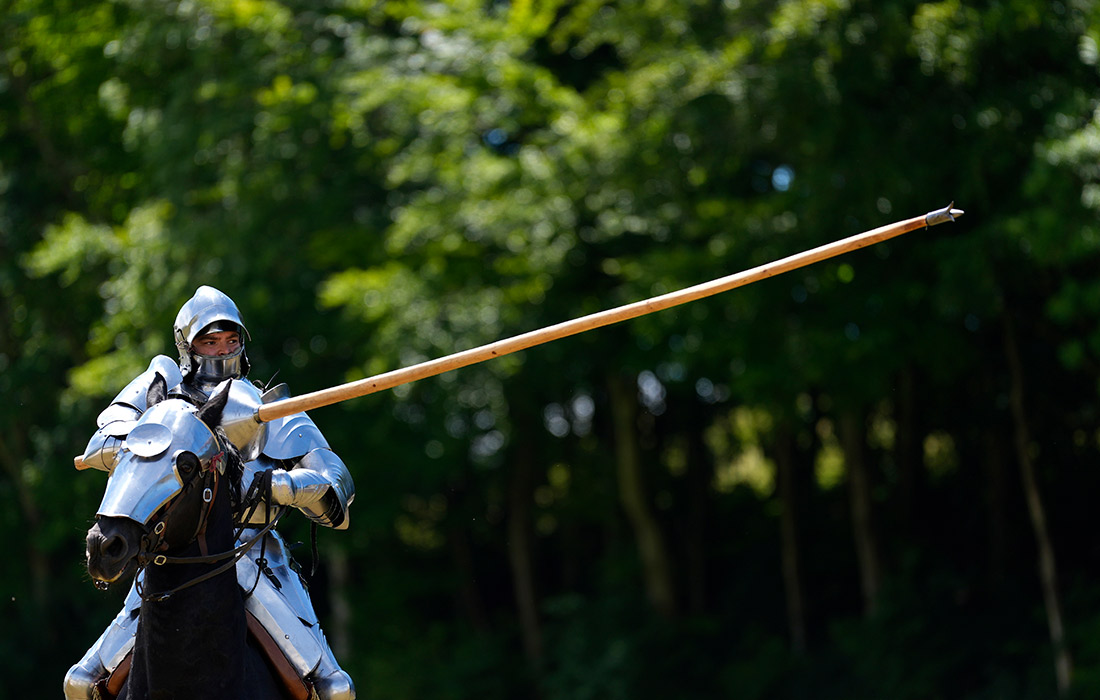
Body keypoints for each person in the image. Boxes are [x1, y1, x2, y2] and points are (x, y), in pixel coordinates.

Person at [64, 285, 355, 700]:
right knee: (81, 683)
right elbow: (102, 443)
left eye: (230, 340)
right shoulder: (163, 394)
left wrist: (282, 486)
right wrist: (160, 444)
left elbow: (336, 481)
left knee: (333, 689)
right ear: (188, 345)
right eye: (209, 340)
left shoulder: (266, 406)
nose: (222, 350)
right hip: (168, 552)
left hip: (253, 557)